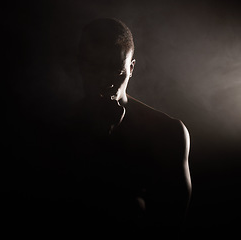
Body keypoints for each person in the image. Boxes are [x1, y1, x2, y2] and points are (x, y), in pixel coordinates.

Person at [55, 18, 192, 234]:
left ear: (131, 67)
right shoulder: (56, 127)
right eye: (94, 69)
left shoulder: (168, 133)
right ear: (80, 64)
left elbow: (172, 223)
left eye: (116, 71)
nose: (105, 81)